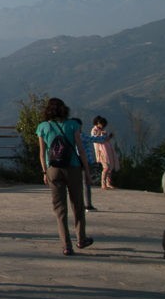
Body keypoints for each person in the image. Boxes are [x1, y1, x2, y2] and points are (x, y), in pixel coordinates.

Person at [36, 97, 92, 255]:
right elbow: (81, 150)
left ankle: (66, 245)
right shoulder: (73, 125)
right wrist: (87, 172)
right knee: (78, 205)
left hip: (53, 169)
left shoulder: (42, 127)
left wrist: (44, 171)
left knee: (60, 209)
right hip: (72, 168)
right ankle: (81, 239)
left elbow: (42, 153)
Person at [91, 116, 119, 189]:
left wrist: (109, 136)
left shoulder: (102, 130)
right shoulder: (94, 130)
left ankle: (108, 183)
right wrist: (100, 133)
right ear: (97, 123)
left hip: (107, 151)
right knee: (106, 167)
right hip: (101, 151)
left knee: (110, 167)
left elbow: (105, 140)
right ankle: (103, 184)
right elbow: (94, 139)